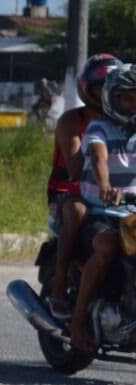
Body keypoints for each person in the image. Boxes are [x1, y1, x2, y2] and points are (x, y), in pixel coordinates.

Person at [69, 63, 136, 353]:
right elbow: (98, 156)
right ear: (112, 98)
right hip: (104, 214)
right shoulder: (100, 127)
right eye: (127, 97)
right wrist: (106, 185)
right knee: (107, 246)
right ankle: (78, 320)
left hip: (133, 216)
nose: (133, 104)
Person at [47, 54, 120, 319]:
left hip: (117, 196)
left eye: (112, 90)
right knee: (77, 212)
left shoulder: (125, 121)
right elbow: (77, 169)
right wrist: (97, 138)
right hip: (71, 189)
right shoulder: (72, 121)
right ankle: (58, 283)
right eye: (100, 89)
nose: (105, 96)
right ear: (87, 89)